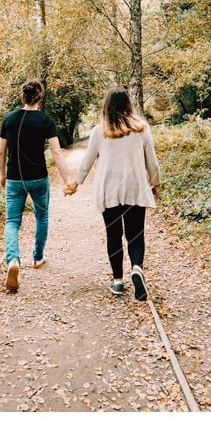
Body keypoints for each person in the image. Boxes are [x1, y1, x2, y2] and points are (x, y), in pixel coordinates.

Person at [65, 87, 161, 301]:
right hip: (135, 189)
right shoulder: (142, 129)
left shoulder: (99, 131)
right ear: (129, 105)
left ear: (106, 107)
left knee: (113, 235)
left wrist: (75, 184)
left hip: (109, 191)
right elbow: (152, 162)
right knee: (136, 234)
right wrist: (155, 183)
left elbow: (87, 162)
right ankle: (136, 268)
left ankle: (117, 281)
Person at [0, 80, 73, 292]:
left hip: (14, 178)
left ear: (22, 96)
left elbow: (1, 152)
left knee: (12, 221)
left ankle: (13, 260)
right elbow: (57, 152)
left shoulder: (9, 119)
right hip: (39, 178)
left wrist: (2, 174)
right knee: (42, 217)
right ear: (40, 96)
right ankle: (38, 257)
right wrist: (67, 180)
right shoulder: (46, 121)